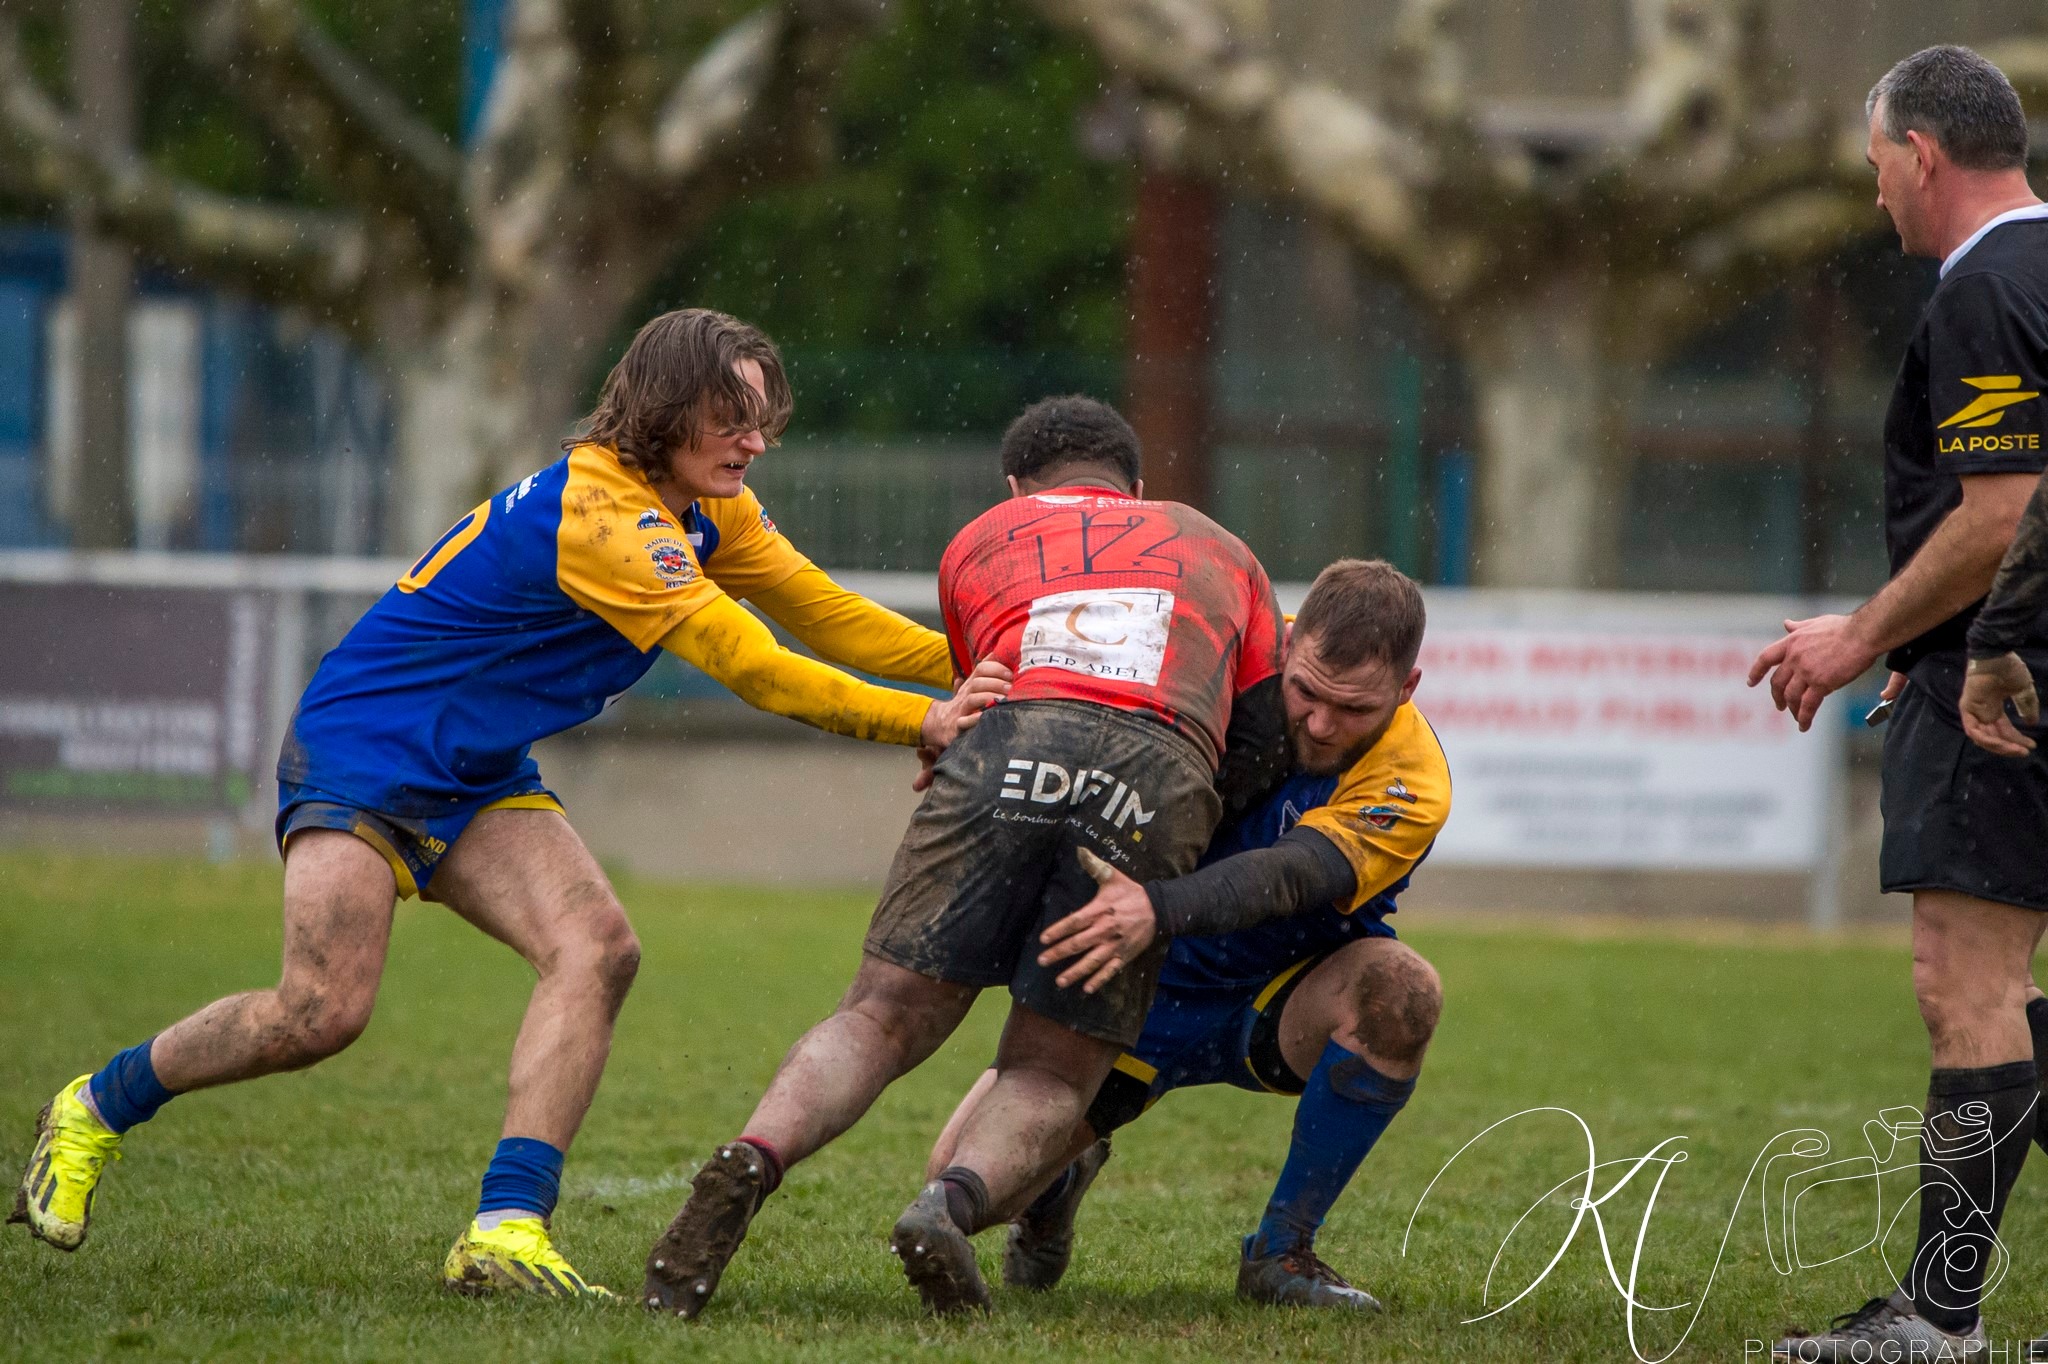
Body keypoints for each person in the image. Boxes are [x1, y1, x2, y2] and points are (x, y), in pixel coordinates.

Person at [9, 309, 1006, 1300]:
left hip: (477, 770)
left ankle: (504, 1228)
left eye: (762, 417)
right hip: (364, 747)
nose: (757, 440)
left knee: (597, 949)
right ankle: (95, 1104)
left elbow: (822, 612)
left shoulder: (709, 505)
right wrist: (921, 721)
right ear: (665, 410)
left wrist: (988, 658)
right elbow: (754, 666)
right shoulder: (607, 517)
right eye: (731, 417)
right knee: (318, 1010)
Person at [641, 394, 1290, 1318]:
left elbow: (975, 689)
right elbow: (1262, 734)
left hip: (1010, 737)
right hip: (1161, 764)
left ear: (1018, 485)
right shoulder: (1218, 544)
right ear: (1137, 488)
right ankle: (947, 1206)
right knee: (1054, 1069)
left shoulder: (982, 538)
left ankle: (753, 1158)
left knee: (878, 1018)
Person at [1745, 48, 2048, 1362]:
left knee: (1966, 983)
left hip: (2009, 683)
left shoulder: (1986, 287)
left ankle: (1939, 1316)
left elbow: (2003, 512)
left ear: (1922, 154)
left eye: (1877, 169)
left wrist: (1871, 640)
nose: (1876, 198)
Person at [932, 558, 1447, 1311]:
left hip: (1282, 993)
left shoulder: (1415, 779)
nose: (1320, 723)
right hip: (1138, 986)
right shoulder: (1222, 662)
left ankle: (1282, 1252)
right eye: (1306, 691)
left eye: (1355, 708)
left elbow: (1293, 873)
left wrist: (1158, 907)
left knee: (1403, 993)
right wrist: (962, 725)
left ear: (1407, 689)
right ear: (1285, 651)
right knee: (955, 1179)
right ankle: (1062, 1178)